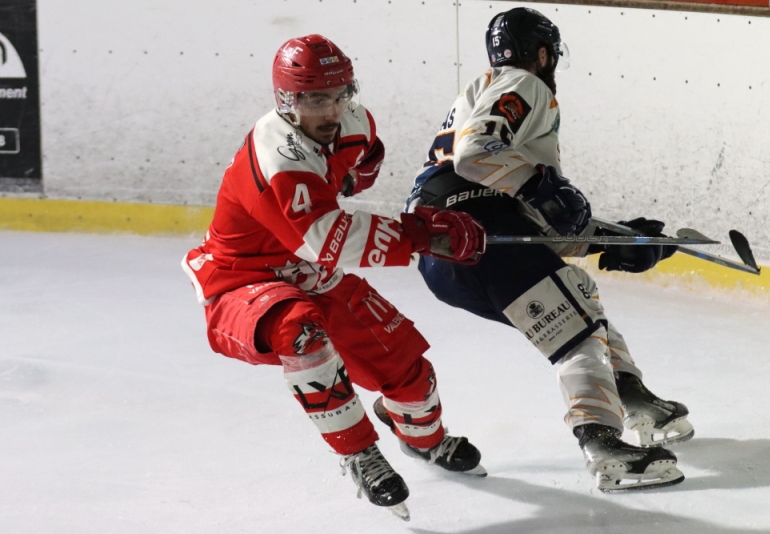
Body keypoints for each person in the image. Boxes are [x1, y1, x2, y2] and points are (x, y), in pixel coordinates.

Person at [181, 34, 488, 521]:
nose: (330, 109)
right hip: (240, 282)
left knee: (407, 370)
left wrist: (350, 178)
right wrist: (422, 234)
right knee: (299, 330)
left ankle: (423, 439)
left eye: (340, 93)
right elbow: (329, 238)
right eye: (315, 99)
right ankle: (358, 452)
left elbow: (366, 154)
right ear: (287, 101)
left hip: (312, 272)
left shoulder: (353, 121)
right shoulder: (276, 155)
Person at [405, 8, 694, 492]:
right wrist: (546, 188)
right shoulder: (523, 82)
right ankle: (604, 446)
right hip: (483, 232)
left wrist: (615, 240)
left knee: (574, 302)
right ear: (542, 52)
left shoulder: (476, 96)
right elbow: (479, 155)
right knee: (576, 332)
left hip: (441, 255)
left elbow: (521, 211)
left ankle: (633, 397)